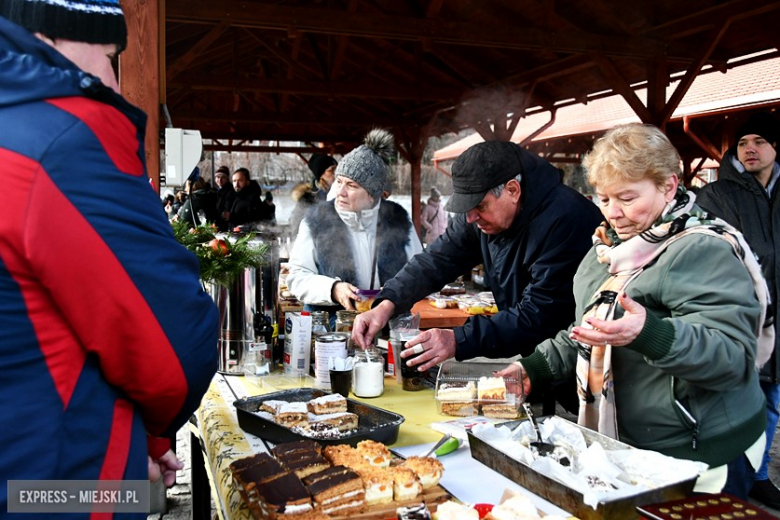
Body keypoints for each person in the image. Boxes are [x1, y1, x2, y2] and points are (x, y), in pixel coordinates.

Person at [0, 0, 219, 513]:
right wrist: (154, 437)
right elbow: (172, 345)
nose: (116, 85)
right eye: (109, 56)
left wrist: (138, 444)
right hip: (51, 490)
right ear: (54, 35)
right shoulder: (60, 136)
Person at [496, 124, 769, 500]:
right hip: (630, 450)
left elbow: (732, 357)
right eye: (603, 199)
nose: (614, 213)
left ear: (668, 186)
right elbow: (590, 330)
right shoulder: (606, 250)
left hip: (700, 456)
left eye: (626, 197)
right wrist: (534, 368)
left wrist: (650, 334)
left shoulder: (701, 249)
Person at [352, 140, 602, 412]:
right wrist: (387, 303)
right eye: (466, 208)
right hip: (536, 359)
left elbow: (539, 314)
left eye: (480, 207)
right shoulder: (478, 214)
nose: (471, 218)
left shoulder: (566, 218)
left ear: (513, 190)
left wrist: (457, 339)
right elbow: (437, 259)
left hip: (585, 363)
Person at [697, 111, 780, 507]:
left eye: (759, 142)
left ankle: (759, 476)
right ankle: (730, 490)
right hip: (742, 315)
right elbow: (719, 256)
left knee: (773, 402)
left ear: (775, 147)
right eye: (743, 142)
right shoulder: (718, 195)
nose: (750, 149)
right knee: (738, 404)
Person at [287, 129, 422, 317]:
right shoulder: (317, 220)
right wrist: (333, 289)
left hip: (387, 328)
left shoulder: (397, 219)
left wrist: (396, 291)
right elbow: (297, 278)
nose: (340, 191)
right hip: (333, 332)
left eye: (351, 186)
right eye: (339, 181)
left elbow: (418, 271)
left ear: (372, 194)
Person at [214, 165, 235, 231]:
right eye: (218, 177)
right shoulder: (217, 190)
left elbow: (226, 210)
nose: (220, 180)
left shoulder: (230, 191)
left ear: (227, 179)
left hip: (224, 226)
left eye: (223, 177)